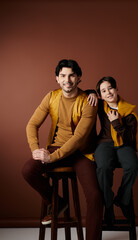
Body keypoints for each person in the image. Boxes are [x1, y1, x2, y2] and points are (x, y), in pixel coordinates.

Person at [22, 59, 103, 240]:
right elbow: (32, 124)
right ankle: (57, 204)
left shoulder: (89, 102)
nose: (67, 80)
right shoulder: (51, 97)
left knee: (95, 196)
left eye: (72, 75)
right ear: (57, 78)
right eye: (63, 76)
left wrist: (52, 157)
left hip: (81, 153)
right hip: (57, 148)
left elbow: (78, 138)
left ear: (79, 78)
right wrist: (36, 150)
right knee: (28, 170)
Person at [94, 76, 138, 225]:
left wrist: (116, 123)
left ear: (116, 89)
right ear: (100, 95)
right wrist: (91, 94)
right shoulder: (100, 106)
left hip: (124, 144)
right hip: (105, 143)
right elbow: (86, 93)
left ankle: (122, 198)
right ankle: (108, 206)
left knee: (133, 167)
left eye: (110, 88)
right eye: (103, 91)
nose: (108, 92)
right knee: (103, 167)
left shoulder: (129, 111)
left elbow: (130, 139)